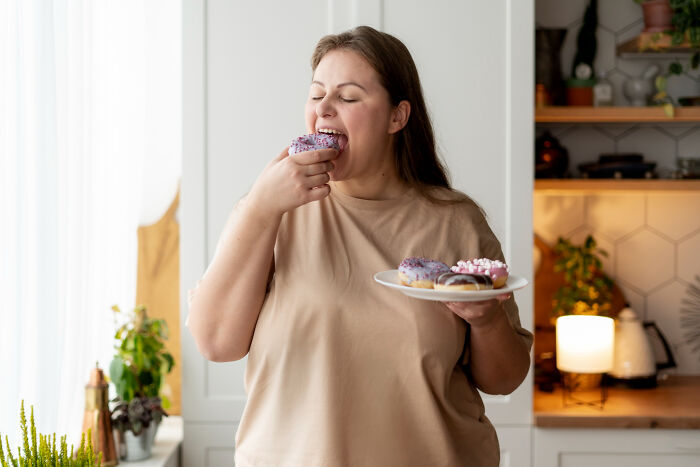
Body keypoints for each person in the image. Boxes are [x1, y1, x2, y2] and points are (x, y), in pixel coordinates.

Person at [187, 25, 532, 467]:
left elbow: (504, 379)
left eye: (348, 97)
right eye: (316, 95)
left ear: (397, 117)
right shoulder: (273, 210)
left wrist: (486, 322)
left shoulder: (456, 221)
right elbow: (216, 343)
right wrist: (258, 209)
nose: (325, 109)